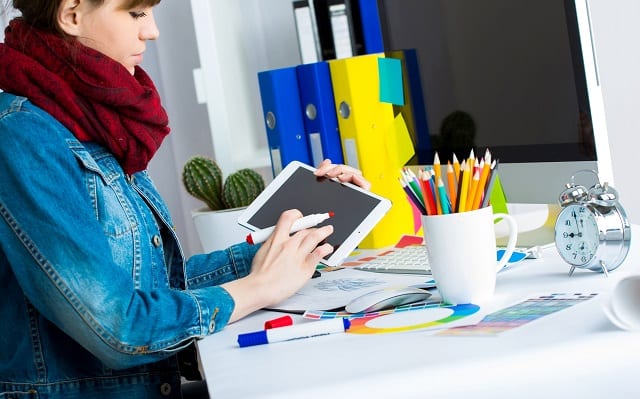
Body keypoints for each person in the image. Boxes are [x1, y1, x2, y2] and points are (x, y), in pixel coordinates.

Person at [0, 1, 370, 398]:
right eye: (136, 13)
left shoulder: (90, 118)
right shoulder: (23, 136)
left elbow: (157, 283)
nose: (152, 31)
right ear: (71, 14)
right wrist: (258, 289)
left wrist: (298, 239)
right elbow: (118, 329)